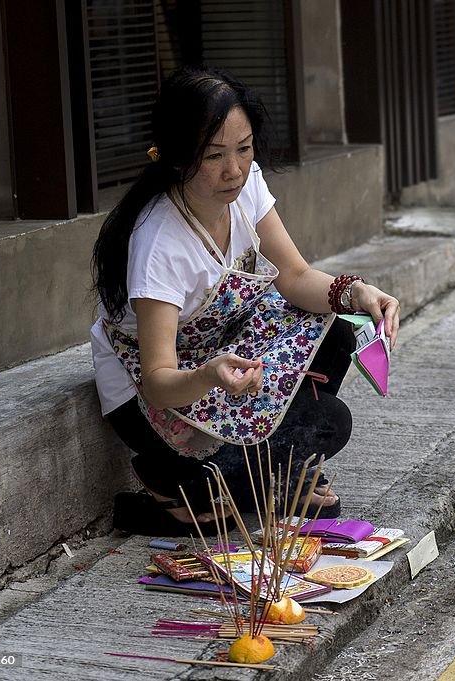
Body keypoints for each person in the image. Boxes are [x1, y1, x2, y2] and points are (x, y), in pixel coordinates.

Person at [90, 67, 400, 534]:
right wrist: (208, 375)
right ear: (176, 158)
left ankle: (257, 474)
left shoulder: (246, 184)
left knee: (337, 333)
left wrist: (355, 292)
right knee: (327, 421)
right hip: (156, 391)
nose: (234, 170)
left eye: (244, 148)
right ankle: (180, 483)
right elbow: (156, 380)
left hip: (220, 346)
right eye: (213, 155)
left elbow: (294, 277)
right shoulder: (159, 242)